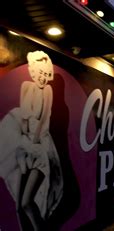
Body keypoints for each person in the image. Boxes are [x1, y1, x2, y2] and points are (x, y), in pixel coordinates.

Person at [0, 50, 63, 230]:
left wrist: (32, 144)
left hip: (39, 149)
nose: (42, 78)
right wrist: (23, 144)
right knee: (19, 207)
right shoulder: (26, 86)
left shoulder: (48, 91)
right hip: (24, 147)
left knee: (28, 202)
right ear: (33, 71)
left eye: (45, 74)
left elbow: (44, 120)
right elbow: (24, 119)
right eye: (39, 73)